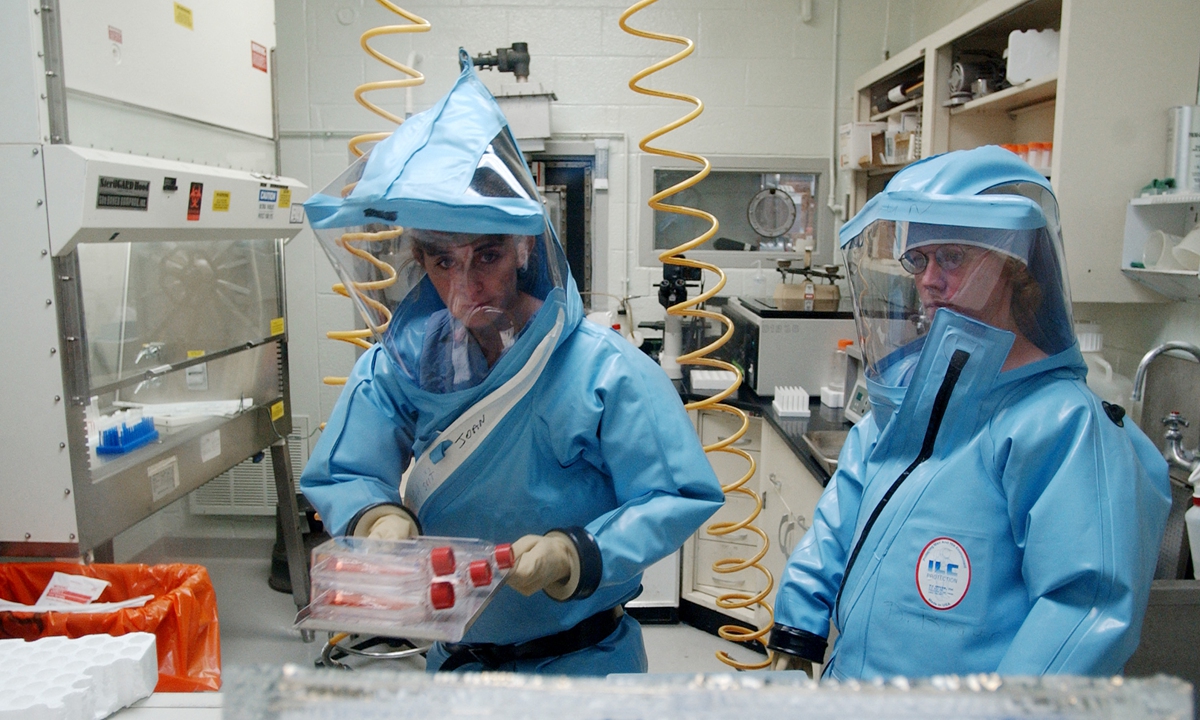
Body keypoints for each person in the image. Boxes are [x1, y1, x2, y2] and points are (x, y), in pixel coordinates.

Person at [299, 50, 724, 675]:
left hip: (581, 663)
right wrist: (377, 516)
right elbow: (345, 470)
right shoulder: (403, 363)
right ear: (418, 258)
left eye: (488, 256)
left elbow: (675, 493)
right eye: (442, 262)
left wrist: (574, 552)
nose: (467, 287)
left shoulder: (602, 370)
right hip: (459, 660)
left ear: (526, 245)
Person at [767, 145, 1171, 679]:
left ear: (1014, 265)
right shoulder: (909, 398)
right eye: (920, 260)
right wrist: (798, 630)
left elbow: (1083, 611)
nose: (929, 280)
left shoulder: (1060, 426)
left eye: (952, 257)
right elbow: (835, 528)